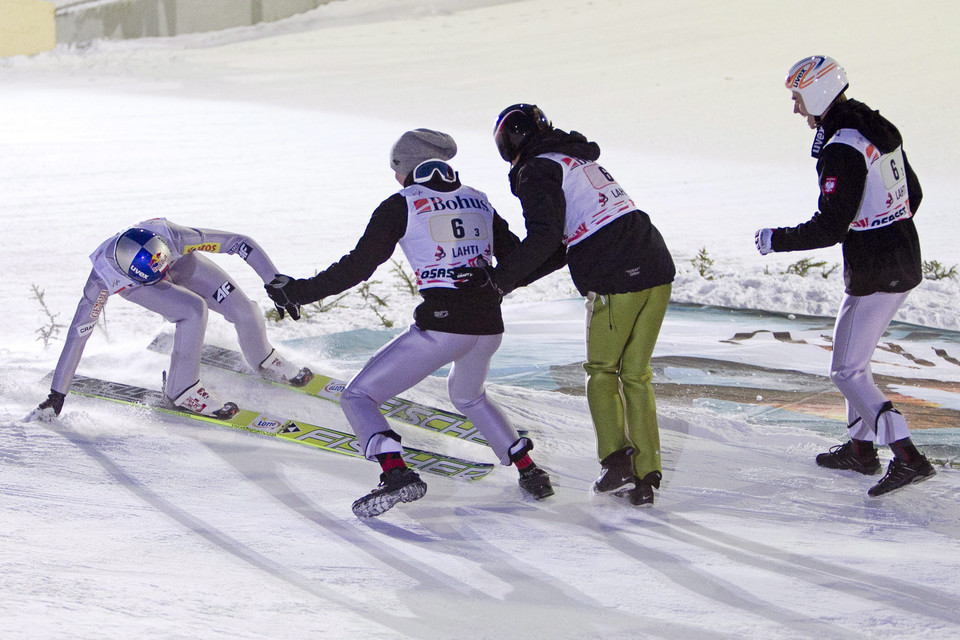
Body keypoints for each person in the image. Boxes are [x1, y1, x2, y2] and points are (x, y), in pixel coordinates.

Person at [265, 129, 554, 518]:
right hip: (489, 329)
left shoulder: (402, 204)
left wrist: (299, 291)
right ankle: (529, 470)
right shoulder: (479, 200)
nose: (394, 177)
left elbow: (359, 266)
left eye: (395, 169)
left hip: (443, 330)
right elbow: (522, 259)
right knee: (467, 395)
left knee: (358, 396)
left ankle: (396, 473)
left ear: (407, 168)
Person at [458, 104, 676, 506]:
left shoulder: (535, 170)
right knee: (636, 375)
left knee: (601, 371)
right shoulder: (572, 158)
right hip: (656, 264)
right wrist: (510, 281)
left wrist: (497, 281)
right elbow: (559, 248)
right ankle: (648, 472)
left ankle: (616, 461)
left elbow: (544, 240)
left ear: (510, 142)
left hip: (616, 272)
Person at [755, 55, 934, 497]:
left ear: (816, 92)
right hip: (900, 258)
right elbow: (913, 193)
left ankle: (907, 455)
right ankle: (860, 447)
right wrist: (885, 223)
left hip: (877, 270)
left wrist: (776, 239)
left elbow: (830, 225)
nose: (796, 109)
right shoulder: (874, 126)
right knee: (855, 357)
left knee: (846, 370)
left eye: (797, 98)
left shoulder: (841, 147)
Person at [27, 218, 312, 422]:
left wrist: (274, 281)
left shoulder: (172, 236)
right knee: (193, 310)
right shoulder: (102, 279)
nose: (163, 276)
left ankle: (263, 358)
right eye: (157, 273)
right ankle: (182, 389)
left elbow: (238, 243)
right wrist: (57, 394)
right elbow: (78, 335)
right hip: (144, 288)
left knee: (245, 310)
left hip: (183, 263)